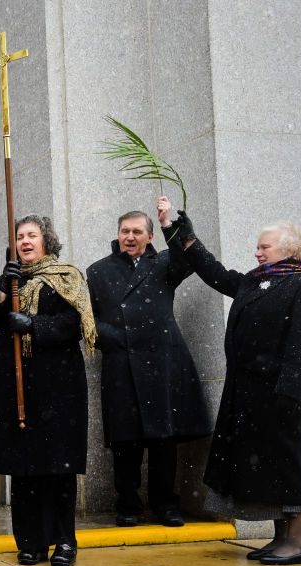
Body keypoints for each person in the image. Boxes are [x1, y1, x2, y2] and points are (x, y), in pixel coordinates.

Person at [160, 200, 301, 566]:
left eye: (264, 247)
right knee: (266, 464)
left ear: (289, 249)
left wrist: (291, 392)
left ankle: (298, 541)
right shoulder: (258, 282)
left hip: (281, 392)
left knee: (288, 461)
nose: (257, 252)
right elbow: (215, 274)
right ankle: (280, 537)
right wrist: (182, 235)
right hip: (248, 392)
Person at [0, 215, 96, 566]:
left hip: (56, 388)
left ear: (47, 240)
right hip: (16, 390)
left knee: (57, 468)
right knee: (24, 468)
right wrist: (4, 284)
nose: (25, 241)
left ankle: (64, 542)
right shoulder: (12, 280)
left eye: (32, 235)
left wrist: (34, 324)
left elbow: (76, 324)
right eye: (19, 236)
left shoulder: (66, 277)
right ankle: (29, 542)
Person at [86, 205, 212, 528]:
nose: (130, 237)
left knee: (163, 440)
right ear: (117, 235)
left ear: (150, 236)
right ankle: (127, 504)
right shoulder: (98, 271)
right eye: (124, 231)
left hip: (161, 363)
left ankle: (165, 504)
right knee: (124, 441)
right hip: (121, 363)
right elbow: (88, 320)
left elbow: (189, 262)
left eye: (137, 231)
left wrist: (177, 227)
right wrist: (110, 338)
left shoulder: (166, 262)